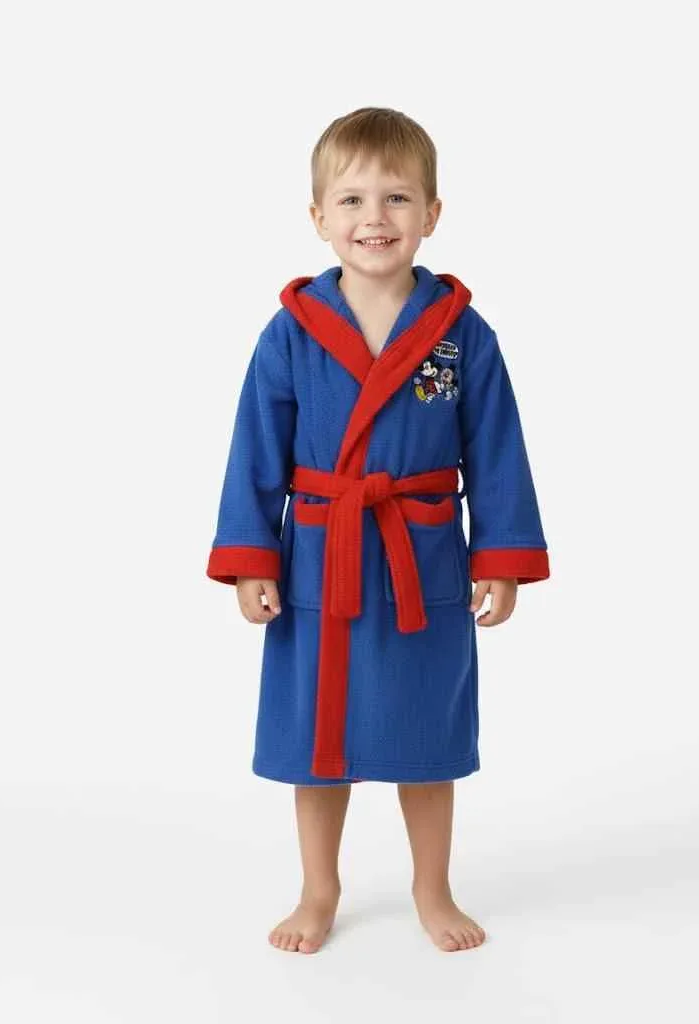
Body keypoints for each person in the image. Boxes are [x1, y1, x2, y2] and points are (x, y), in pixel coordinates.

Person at [206, 107, 550, 954]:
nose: (375, 218)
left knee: (427, 732)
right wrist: (252, 558)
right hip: (319, 561)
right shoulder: (291, 333)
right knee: (315, 740)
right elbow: (256, 449)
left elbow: (496, 450)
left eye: (397, 197)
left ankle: (432, 887)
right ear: (318, 216)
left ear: (432, 213)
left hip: (419, 562)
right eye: (352, 200)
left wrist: (500, 559)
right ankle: (318, 889)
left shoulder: (461, 336)